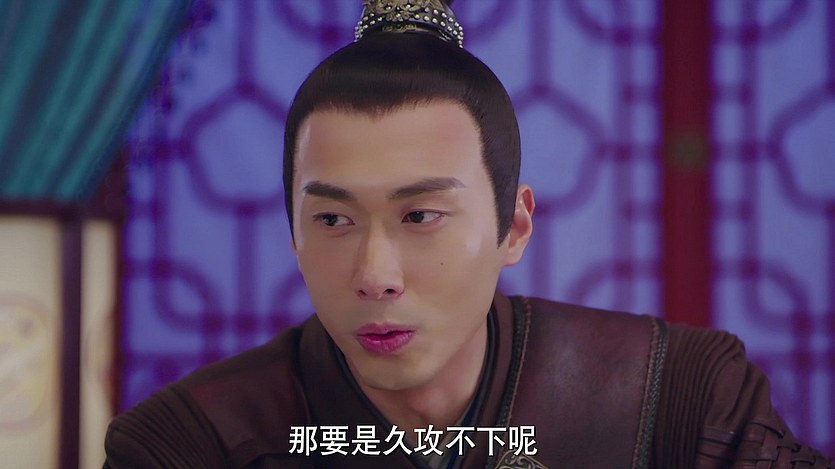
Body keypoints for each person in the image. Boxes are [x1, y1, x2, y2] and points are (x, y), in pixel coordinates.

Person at [104, 1, 832, 468]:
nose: (375, 275)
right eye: (332, 219)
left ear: (513, 226)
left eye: (420, 216)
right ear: (292, 231)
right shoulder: (188, 445)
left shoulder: (680, 399)